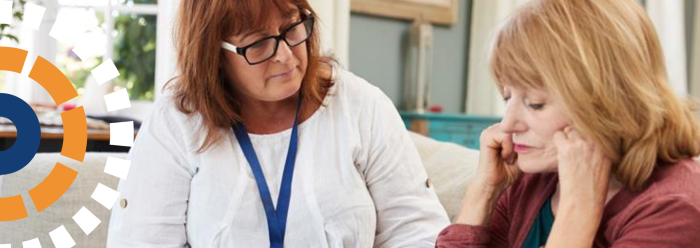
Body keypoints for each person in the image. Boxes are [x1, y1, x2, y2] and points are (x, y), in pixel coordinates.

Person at [106, 0, 449, 247]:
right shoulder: (176, 122)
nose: (285, 55)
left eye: (290, 27)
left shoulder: (361, 106)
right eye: (258, 43)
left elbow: (417, 231)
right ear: (213, 54)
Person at [436, 0, 700, 247]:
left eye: (535, 103)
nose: (507, 124)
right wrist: (483, 192)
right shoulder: (533, 180)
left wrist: (578, 210)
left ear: (607, 102)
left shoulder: (675, 209)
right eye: (507, 97)